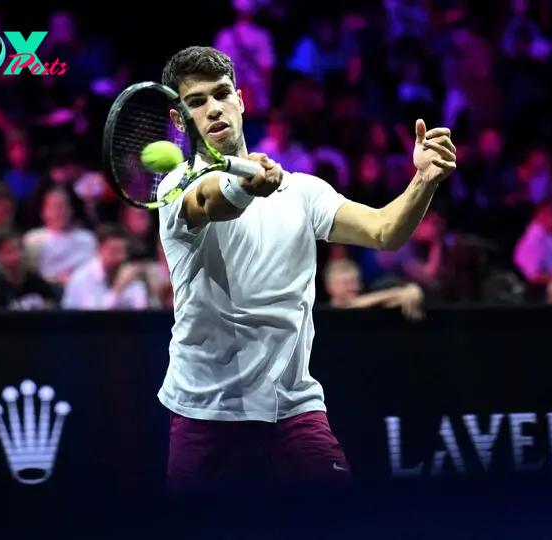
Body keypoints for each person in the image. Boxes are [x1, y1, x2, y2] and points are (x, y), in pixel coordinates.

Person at [155, 46, 456, 497]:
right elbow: (209, 201)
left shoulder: (302, 192)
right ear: (180, 121)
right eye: (196, 102)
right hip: (206, 418)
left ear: (241, 100)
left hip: (294, 413)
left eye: (221, 95)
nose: (213, 108)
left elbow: (384, 231)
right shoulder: (175, 190)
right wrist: (244, 183)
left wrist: (424, 180)